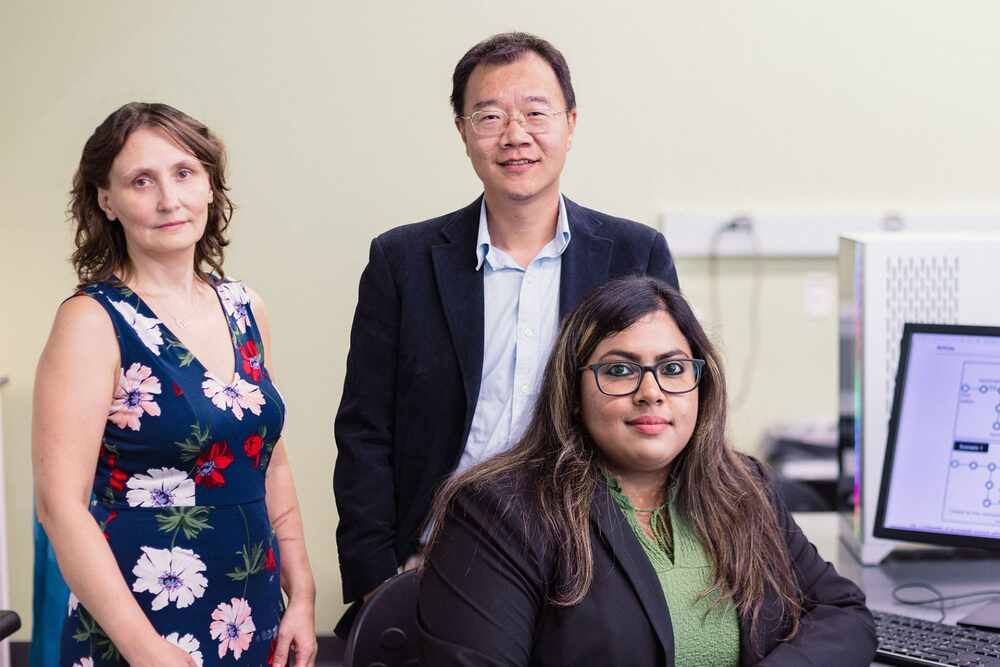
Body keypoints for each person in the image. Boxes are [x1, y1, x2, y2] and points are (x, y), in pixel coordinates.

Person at [333, 32, 679, 634]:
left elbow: (668, 410)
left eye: (535, 113)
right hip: (438, 559)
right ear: (463, 131)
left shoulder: (633, 253)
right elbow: (365, 430)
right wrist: (375, 579)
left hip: (590, 562)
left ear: (570, 123)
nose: (514, 134)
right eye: (490, 116)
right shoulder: (404, 260)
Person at [418, 276, 877, 666]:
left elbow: (842, 612)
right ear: (574, 393)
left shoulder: (743, 487)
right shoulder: (501, 510)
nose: (651, 392)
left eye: (673, 368)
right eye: (619, 370)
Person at [32, 103, 317, 666]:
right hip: (141, 619)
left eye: (184, 173)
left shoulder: (244, 308)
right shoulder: (93, 322)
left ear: (210, 185)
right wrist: (144, 650)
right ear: (106, 201)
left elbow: (270, 461)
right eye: (142, 180)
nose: (169, 199)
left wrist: (302, 592)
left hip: (251, 606)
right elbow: (59, 506)